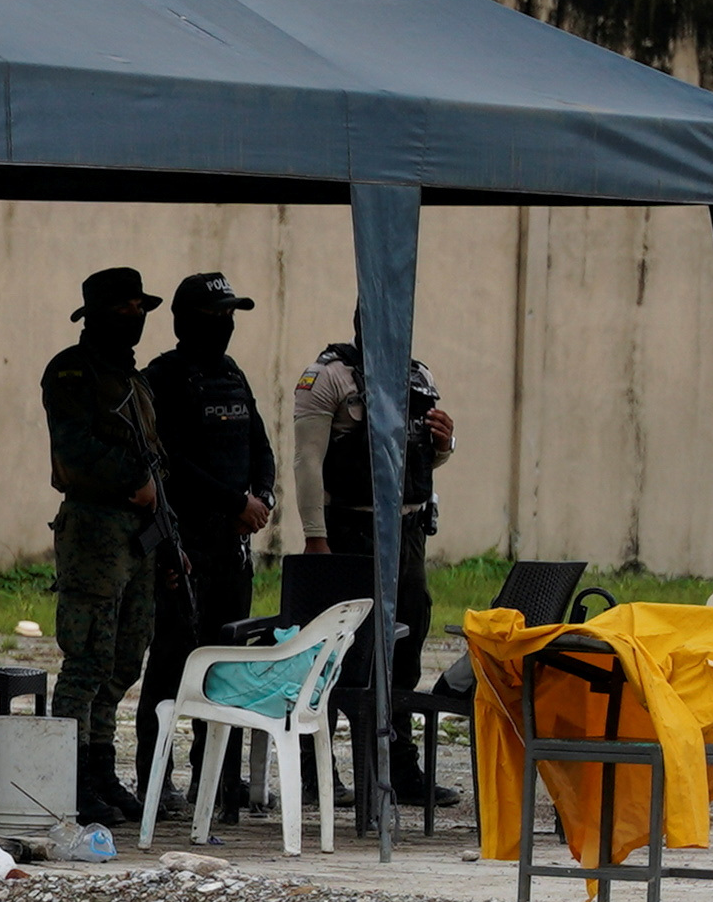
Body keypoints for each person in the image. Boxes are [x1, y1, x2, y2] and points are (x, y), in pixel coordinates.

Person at [296, 330, 458, 813]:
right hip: (350, 530)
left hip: (405, 533)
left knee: (404, 651)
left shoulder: (417, 376)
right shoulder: (330, 376)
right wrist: (315, 537)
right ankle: (315, 770)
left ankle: (399, 767)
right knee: (339, 654)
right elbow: (308, 460)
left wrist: (446, 441)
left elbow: (426, 457)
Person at [134, 272, 276, 811]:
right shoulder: (163, 378)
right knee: (171, 664)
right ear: (186, 322)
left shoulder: (233, 375)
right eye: (216, 317)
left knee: (228, 668)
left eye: (230, 317)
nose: (226, 327)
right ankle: (154, 778)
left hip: (232, 547)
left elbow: (259, 445)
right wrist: (232, 501)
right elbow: (169, 462)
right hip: (184, 547)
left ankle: (215, 778)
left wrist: (260, 496)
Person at [37, 269, 165, 825]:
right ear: (95, 314)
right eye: (124, 308)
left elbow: (157, 459)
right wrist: (130, 480)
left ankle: (99, 767)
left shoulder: (133, 381)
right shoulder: (72, 371)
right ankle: (70, 777)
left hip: (137, 537)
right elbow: (74, 446)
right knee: (87, 658)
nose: (135, 316)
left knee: (122, 661)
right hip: (94, 530)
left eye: (141, 306)